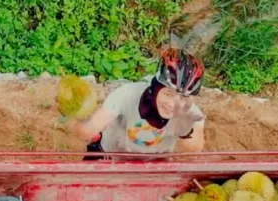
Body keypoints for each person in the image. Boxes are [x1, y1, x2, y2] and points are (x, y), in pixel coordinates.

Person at [77, 48, 206, 156]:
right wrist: (74, 114)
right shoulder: (126, 95)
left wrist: (183, 125)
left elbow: (195, 148)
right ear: (156, 87)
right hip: (112, 159)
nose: (172, 104)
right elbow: (88, 130)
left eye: (182, 97)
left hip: (153, 169)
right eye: (168, 94)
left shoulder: (190, 113)